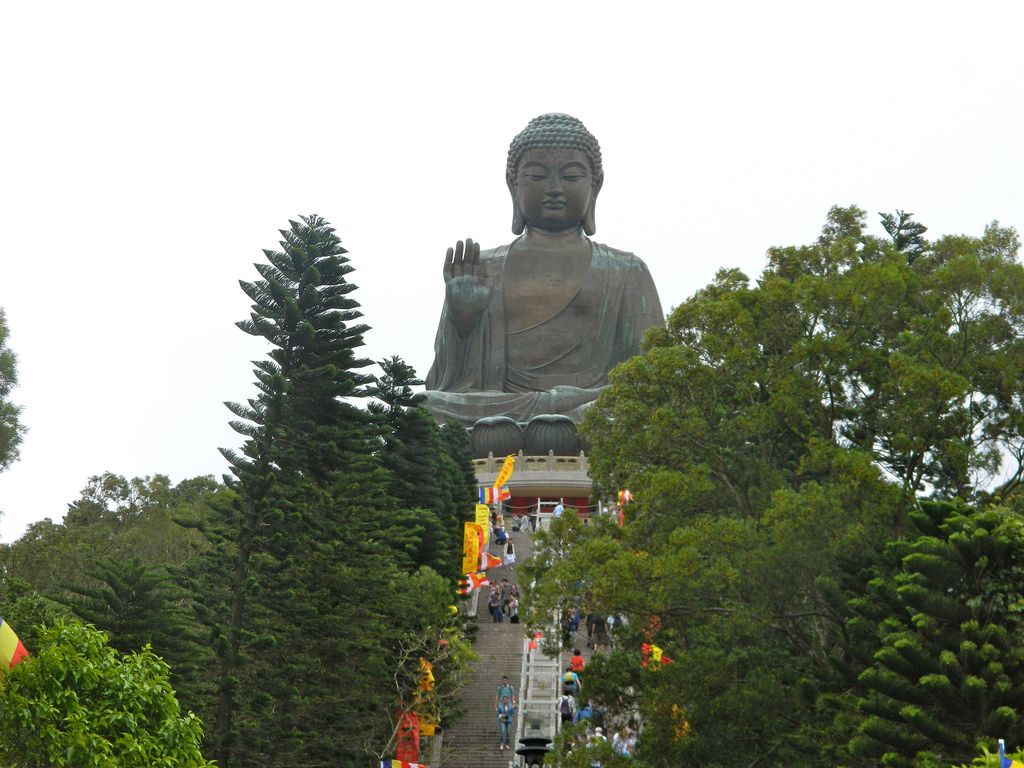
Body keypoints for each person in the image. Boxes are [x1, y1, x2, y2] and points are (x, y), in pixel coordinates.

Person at [424, 113, 664, 428]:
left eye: (571, 176)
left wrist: (567, 400)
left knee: (638, 411)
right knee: (421, 406)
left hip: (592, 409)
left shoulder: (627, 271)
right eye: (537, 177)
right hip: (501, 412)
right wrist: (462, 322)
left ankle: (555, 423)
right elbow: (446, 384)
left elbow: (653, 378)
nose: (554, 188)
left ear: (596, 185)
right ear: (513, 185)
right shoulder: (482, 268)